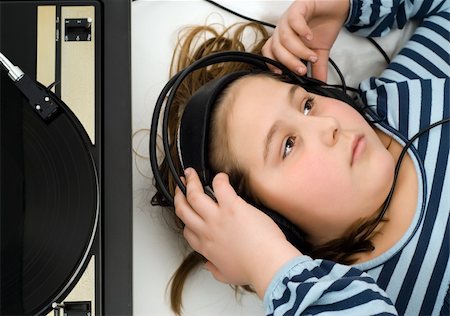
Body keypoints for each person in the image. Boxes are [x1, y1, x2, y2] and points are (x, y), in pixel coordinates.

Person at [152, 0, 450, 314]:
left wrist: (350, 7)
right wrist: (265, 261)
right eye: (288, 145)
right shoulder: (354, 297)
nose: (327, 126)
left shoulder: (403, 93)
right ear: (270, 224)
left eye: (307, 105)